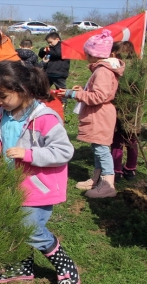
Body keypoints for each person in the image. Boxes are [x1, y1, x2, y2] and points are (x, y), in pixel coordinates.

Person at [0, 61, 80, 284]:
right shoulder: (4, 114)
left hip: (37, 186)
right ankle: (22, 267)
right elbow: (7, 142)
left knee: (31, 228)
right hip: (11, 182)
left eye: (2, 96)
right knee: (15, 226)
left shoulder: (45, 118)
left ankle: (64, 265)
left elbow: (64, 151)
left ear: (22, 88)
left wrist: (29, 154)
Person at [60, 29, 125, 198]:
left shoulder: (102, 71)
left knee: (102, 149)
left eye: (87, 53)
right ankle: (96, 179)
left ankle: (108, 185)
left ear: (95, 54)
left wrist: (72, 94)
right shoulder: (101, 69)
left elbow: (99, 96)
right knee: (97, 148)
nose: (86, 56)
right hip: (99, 113)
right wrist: (83, 91)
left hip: (100, 115)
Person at [109, 41, 139, 182]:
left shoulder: (117, 68)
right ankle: (131, 168)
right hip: (136, 111)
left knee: (117, 140)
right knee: (132, 140)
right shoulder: (140, 68)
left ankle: (116, 170)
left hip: (119, 109)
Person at [38, 32, 70, 103]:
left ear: (57, 39)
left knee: (61, 89)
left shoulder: (63, 47)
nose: (49, 44)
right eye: (48, 42)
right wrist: (42, 50)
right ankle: (42, 100)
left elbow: (58, 53)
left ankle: (63, 102)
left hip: (59, 73)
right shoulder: (51, 48)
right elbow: (42, 55)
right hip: (48, 72)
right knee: (44, 87)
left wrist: (49, 51)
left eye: (50, 42)